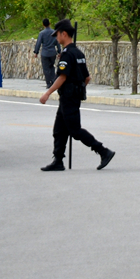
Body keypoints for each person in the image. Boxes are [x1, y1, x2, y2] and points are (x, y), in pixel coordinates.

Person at [38, 19, 115, 171]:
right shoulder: (78, 53)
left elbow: (62, 77)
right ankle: (58, 160)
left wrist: (47, 93)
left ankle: (103, 151)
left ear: (64, 34)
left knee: (75, 130)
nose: (56, 38)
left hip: (68, 98)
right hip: (71, 96)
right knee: (59, 130)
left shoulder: (67, 54)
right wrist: (77, 90)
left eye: (57, 35)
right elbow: (86, 78)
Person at [34, 18, 61, 88]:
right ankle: (53, 81)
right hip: (52, 53)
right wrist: (59, 51)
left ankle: (48, 83)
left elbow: (38, 43)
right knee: (52, 67)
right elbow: (58, 42)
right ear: (49, 24)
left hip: (45, 53)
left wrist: (36, 52)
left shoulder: (42, 33)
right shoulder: (54, 32)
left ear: (43, 25)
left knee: (46, 68)